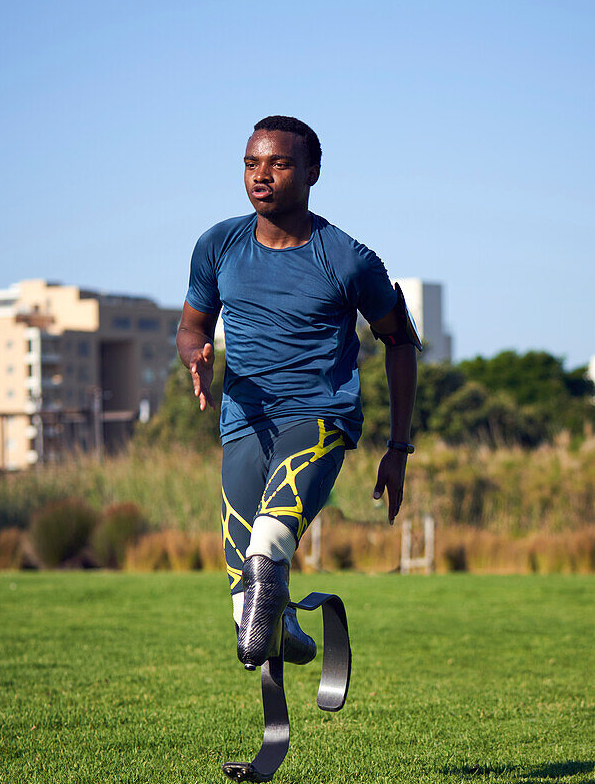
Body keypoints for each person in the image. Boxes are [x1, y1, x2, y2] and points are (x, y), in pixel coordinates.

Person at [176, 116, 421, 671]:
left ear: (312, 173)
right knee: (248, 618)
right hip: (243, 424)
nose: (260, 175)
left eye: (278, 163)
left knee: (267, 545)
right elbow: (192, 326)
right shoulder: (218, 245)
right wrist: (195, 354)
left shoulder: (348, 259)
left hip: (318, 418)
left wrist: (398, 448)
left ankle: (279, 611)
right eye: (250, 163)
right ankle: (291, 633)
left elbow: (401, 343)